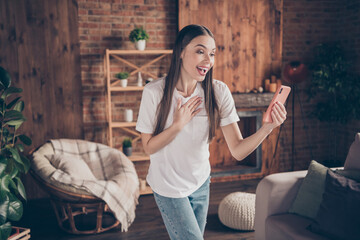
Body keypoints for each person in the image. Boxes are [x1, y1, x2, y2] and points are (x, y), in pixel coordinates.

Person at [136, 24, 287, 240]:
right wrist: (178, 125)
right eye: (200, 51)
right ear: (180, 52)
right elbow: (148, 146)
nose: (208, 61)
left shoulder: (218, 91)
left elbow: (237, 150)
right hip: (168, 187)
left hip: (200, 184)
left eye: (212, 54)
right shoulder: (154, 92)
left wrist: (267, 127)